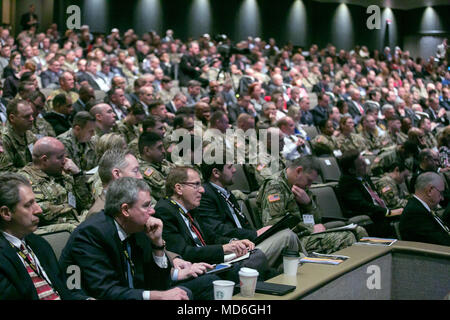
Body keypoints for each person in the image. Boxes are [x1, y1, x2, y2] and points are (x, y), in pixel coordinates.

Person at [60, 177, 218, 300]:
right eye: (146, 206)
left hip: (131, 293)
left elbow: (160, 283)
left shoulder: (138, 228)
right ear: (125, 210)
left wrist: (157, 245)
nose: (152, 212)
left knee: (206, 283)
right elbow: (105, 290)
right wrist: (157, 296)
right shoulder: (91, 234)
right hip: (103, 297)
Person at [154, 166, 270, 283]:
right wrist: (223, 249)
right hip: (193, 269)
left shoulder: (191, 208)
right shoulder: (165, 211)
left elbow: (211, 237)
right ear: (179, 188)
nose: (202, 190)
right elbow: (184, 252)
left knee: (256, 256)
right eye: (196, 185)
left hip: (210, 261)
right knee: (253, 262)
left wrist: (233, 242)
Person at [192, 160, 300, 270]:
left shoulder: (226, 193)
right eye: (230, 167)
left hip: (248, 245)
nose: (234, 170)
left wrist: (262, 234)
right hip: (234, 252)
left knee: (285, 255)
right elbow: (218, 230)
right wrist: (254, 234)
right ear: (216, 173)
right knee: (287, 236)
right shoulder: (206, 195)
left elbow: (243, 223)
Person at [0, 173, 89, 300]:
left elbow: (63, 290)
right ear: (6, 213)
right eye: (28, 205)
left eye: (35, 201)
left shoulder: (39, 244)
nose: (39, 210)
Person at [257, 156, 359, 254]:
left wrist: (308, 204)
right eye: (309, 180)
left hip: (304, 235)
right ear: (298, 171)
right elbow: (274, 224)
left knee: (358, 231)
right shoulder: (275, 186)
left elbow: (318, 220)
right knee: (346, 237)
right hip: (289, 240)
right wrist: (310, 228)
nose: (309, 185)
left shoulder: (301, 187)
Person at [18, 137, 92, 234]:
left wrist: (77, 175)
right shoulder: (24, 181)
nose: (65, 160)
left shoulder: (64, 173)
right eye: (60, 157)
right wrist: (67, 207)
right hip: (55, 231)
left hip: (77, 223)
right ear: (45, 160)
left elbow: (86, 203)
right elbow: (41, 213)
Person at [337, 149, 403, 237]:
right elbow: (362, 205)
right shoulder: (346, 184)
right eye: (361, 164)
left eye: (364, 161)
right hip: (372, 216)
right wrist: (388, 212)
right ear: (352, 170)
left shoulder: (364, 177)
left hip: (380, 210)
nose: (366, 164)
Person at [399, 172, 450, 246]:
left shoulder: (420, 207)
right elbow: (440, 242)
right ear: (429, 191)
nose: (442, 198)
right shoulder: (415, 214)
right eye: (441, 193)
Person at [0, 99, 37, 172]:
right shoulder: (4, 139)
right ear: (12, 118)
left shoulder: (28, 133)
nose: (32, 119)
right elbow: (6, 172)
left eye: (31, 115)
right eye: (27, 116)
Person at [138, 132, 175, 202]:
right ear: (147, 151)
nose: (164, 151)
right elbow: (166, 192)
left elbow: (179, 171)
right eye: (159, 148)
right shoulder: (144, 170)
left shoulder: (160, 161)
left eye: (163, 147)